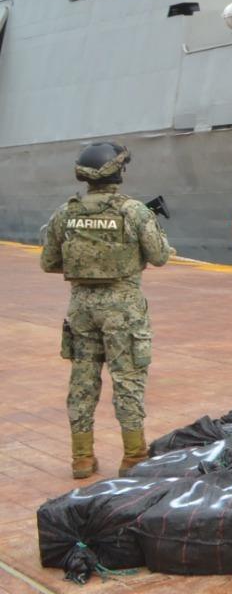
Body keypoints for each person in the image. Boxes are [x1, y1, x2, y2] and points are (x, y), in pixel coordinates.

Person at [39, 143, 173, 478]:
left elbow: (49, 262)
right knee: (127, 379)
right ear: (118, 173)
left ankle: (81, 458)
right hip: (123, 309)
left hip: (81, 308)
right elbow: (159, 257)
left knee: (82, 380)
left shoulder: (65, 213)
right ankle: (133, 456)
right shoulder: (134, 212)